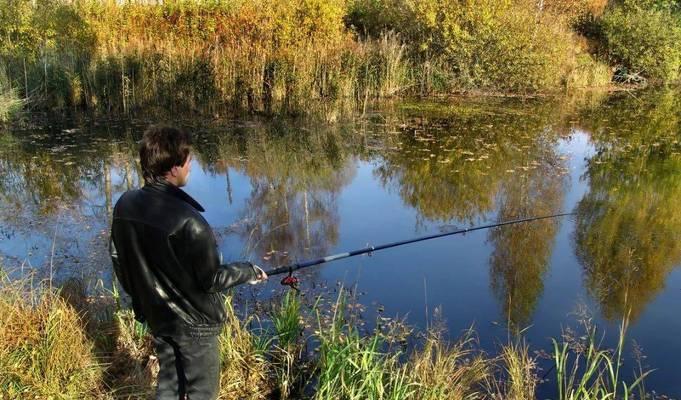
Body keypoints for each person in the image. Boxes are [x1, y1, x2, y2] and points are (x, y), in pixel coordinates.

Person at [109, 125, 267, 399]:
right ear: (173, 168)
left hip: (158, 318)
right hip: (196, 328)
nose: (191, 165)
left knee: (169, 387)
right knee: (201, 393)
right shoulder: (190, 221)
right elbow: (211, 279)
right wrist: (248, 270)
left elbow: (119, 261)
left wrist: (143, 300)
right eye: (187, 160)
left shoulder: (125, 204)